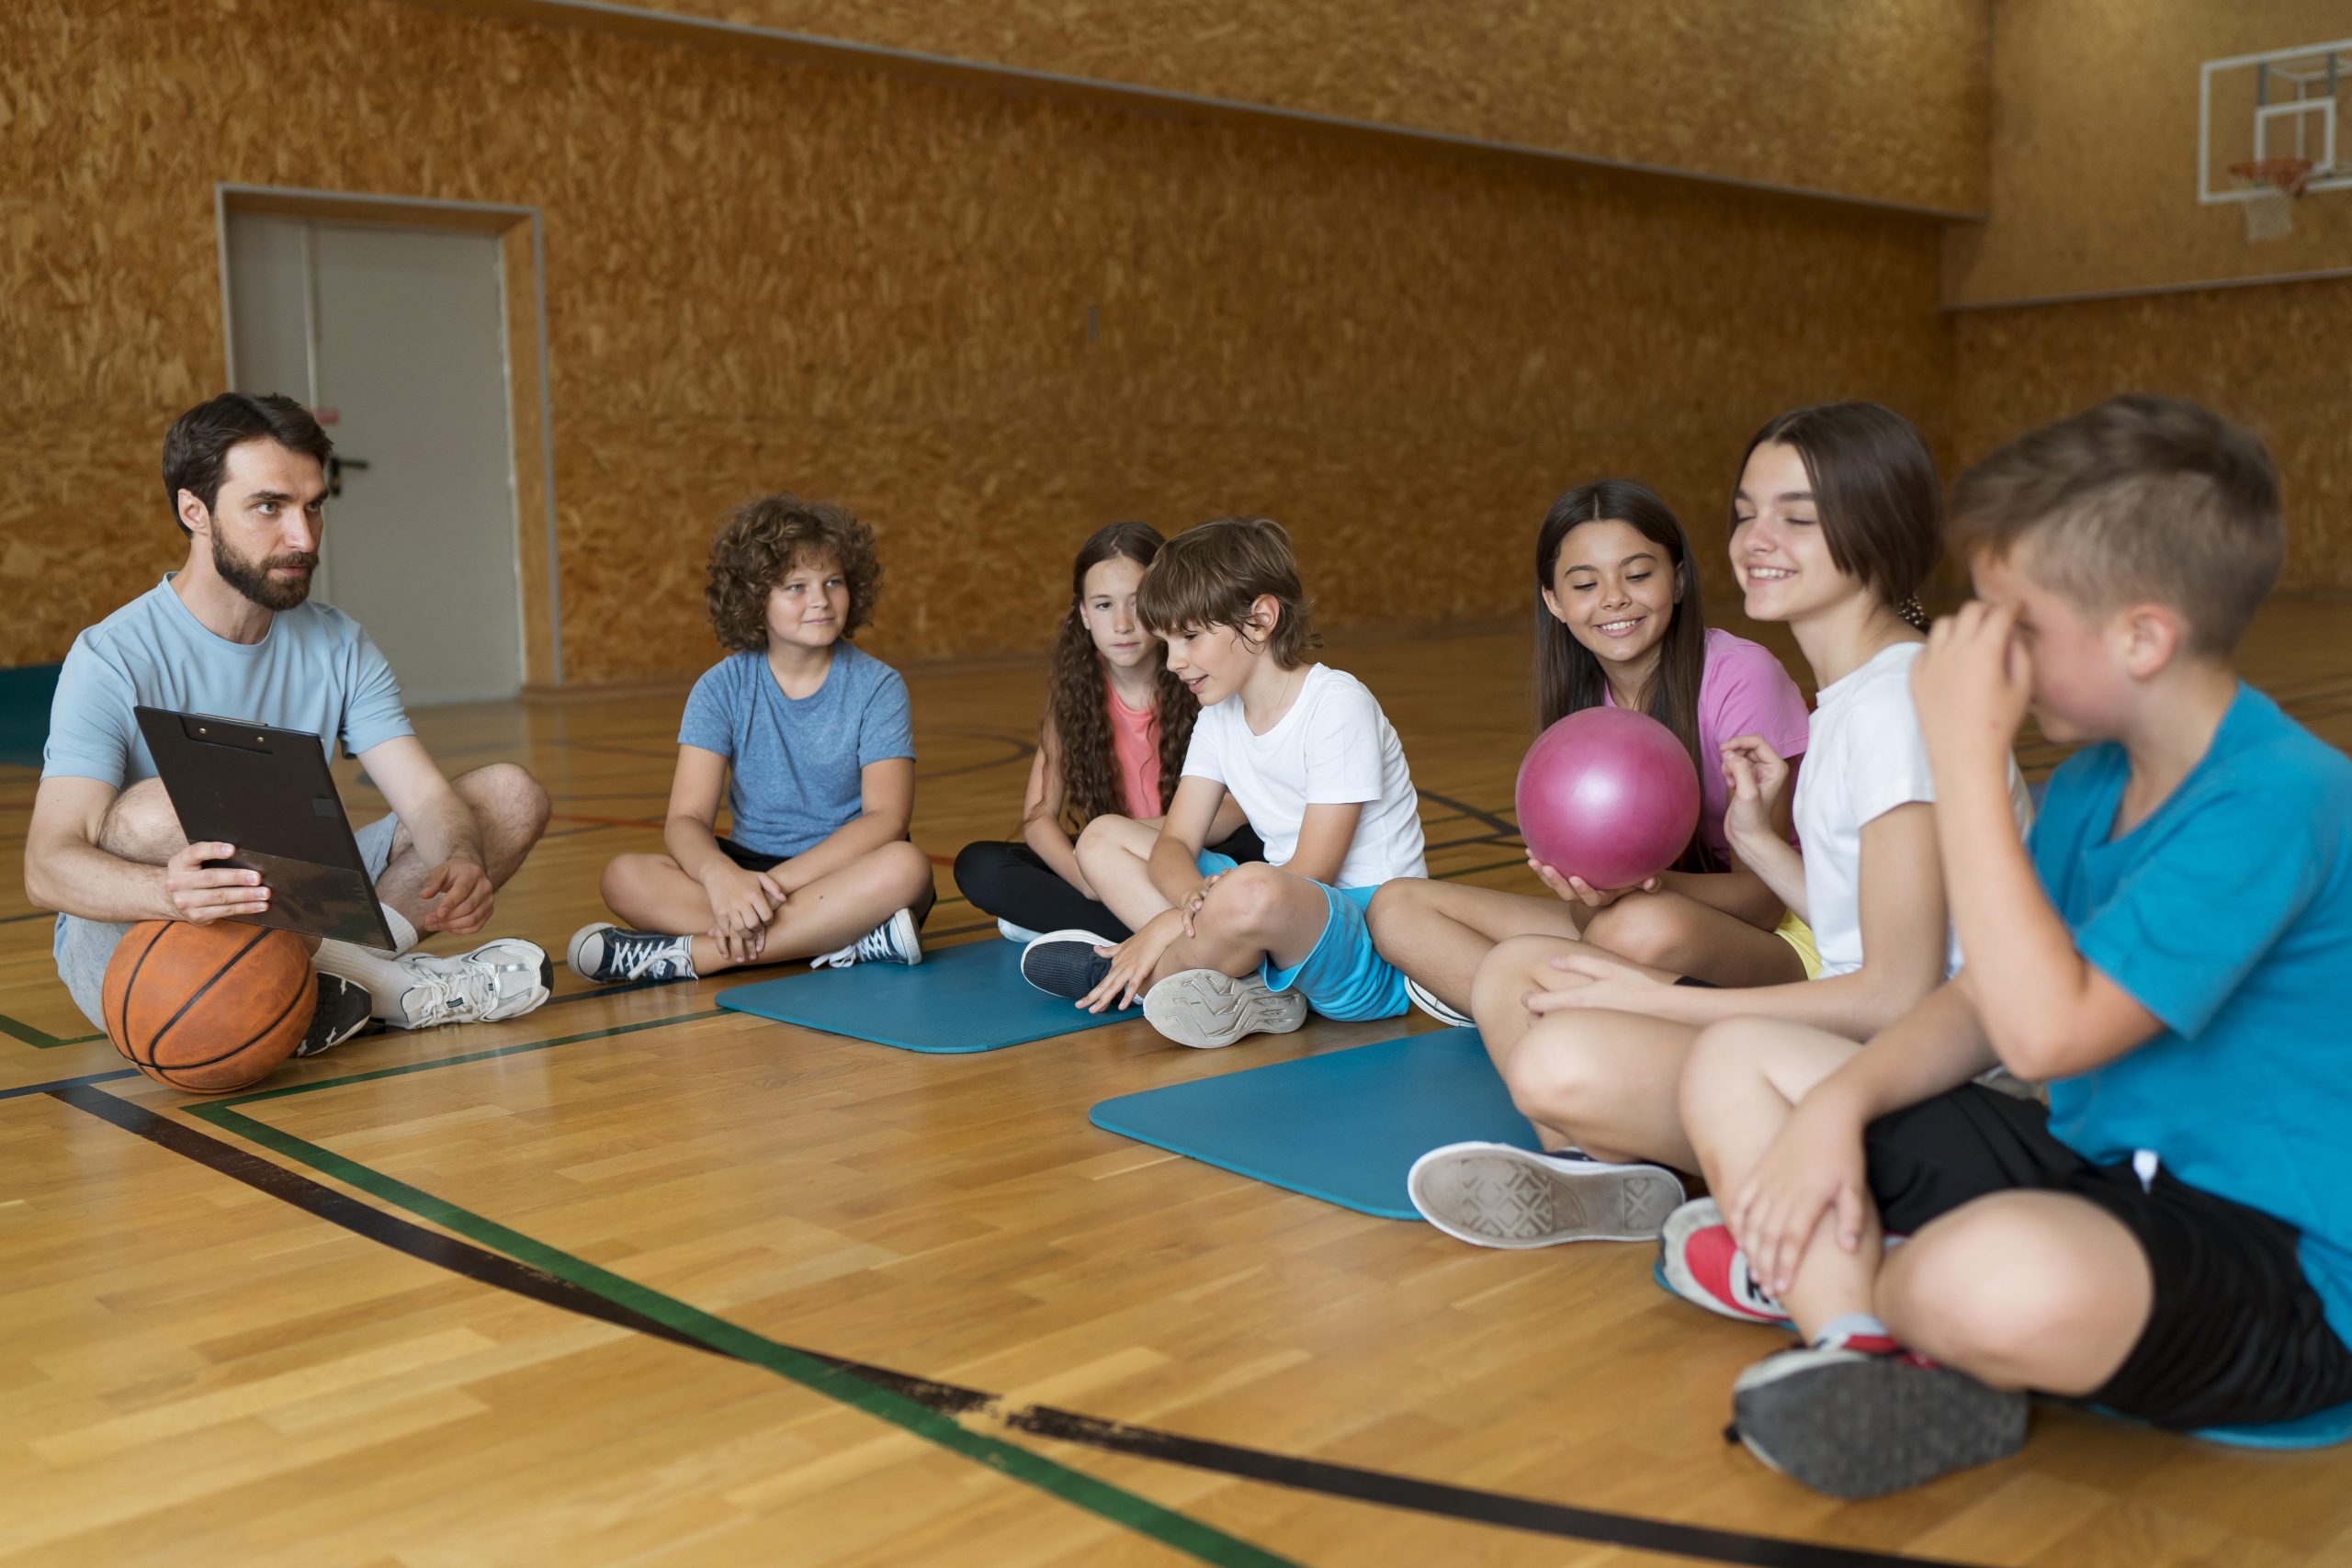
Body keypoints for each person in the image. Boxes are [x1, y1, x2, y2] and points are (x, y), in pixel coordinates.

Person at [1667, 394, 2352, 1498]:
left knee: (1982, 1281)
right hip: (2096, 1175)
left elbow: (2040, 1040)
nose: (1977, 652)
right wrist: (1836, 1107)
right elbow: (1983, 999)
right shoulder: (2094, 785)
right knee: (1736, 1059)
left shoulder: (2278, 796)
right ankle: (1857, 1341)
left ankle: (1832, 1271)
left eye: (2013, 624)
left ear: (2142, 636)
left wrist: (1959, 747)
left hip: (2281, 1268)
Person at [1408, 404, 2029, 1248]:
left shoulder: (1895, 708)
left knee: (1560, 1051)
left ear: (1878, 529)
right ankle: (1616, 1177)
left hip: (1940, 1081)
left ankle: (1734, 1191)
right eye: (1745, 513)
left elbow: (1899, 993)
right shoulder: (1856, 699)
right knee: (1517, 974)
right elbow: (1866, 920)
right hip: (1860, 1043)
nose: (1755, 538)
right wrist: (1764, 839)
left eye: (1797, 517)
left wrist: (1652, 1000)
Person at [24, 392, 554, 1052]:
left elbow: (424, 797)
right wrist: (170, 891)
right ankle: (376, 983)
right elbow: (46, 866)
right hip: (147, 933)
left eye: (313, 506)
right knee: (160, 811)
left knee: (507, 797)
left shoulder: (338, 642)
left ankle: (346, 986)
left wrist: (463, 858)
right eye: (268, 507)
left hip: (300, 894)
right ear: (196, 512)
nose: (302, 538)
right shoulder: (111, 655)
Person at [1367, 479, 1814, 1030]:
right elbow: (1590, 913)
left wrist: (1641, 889)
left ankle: (1520, 1007)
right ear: (1554, 602)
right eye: (1584, 584)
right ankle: (1544, 1014)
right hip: (1637, 920)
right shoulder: (1582, 708)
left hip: (1782, 937)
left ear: (1676, 580)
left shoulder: (1742, 677)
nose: (1613, 599)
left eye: (1638, 574)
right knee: (1397, 909)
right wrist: (1593, 892)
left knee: (1636, 930)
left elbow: (1765, 905)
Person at [1017, 516, 1427, 1050]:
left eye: (1188, 637)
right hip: (1266, 912)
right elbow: (1174, 843)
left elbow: (1313, 875)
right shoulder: (1218, 718)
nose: (1174, 661)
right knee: (1101, 837)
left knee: (1256, 888)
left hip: (1367, 947)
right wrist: (1188, 896)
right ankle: (1250, 989)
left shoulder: (1337, 703)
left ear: (1259, 621)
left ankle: (1135, 977)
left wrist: (1167, 925)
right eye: (1166, 642)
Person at [568, 494, 932, 982]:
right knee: (624, 877)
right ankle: (844, 940)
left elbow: (886, 819)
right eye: (796, 587)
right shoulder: (720, 687)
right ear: (754, 598)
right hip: (746, 869)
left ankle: (691, 957)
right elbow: (686, 818)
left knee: (906, 867)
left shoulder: (879, 686)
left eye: (833, 582)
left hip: (842, 871)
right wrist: (722, 879)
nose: (820, 599)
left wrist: (766, 891)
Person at [952, 521, 1261, 944]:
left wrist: (1130, 837)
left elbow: (1238, 809)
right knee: (979, 865)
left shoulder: (1202, 682)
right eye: (1102, 605)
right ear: (1082, 613)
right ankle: (1154, 926)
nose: (1121, 624)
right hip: (1110, 859)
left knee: (1258, 854)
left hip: (1194, 853)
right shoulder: (1075, 696)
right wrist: (1086, 879)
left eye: (1136, 604)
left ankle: (1088, 928)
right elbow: (1039, 816)